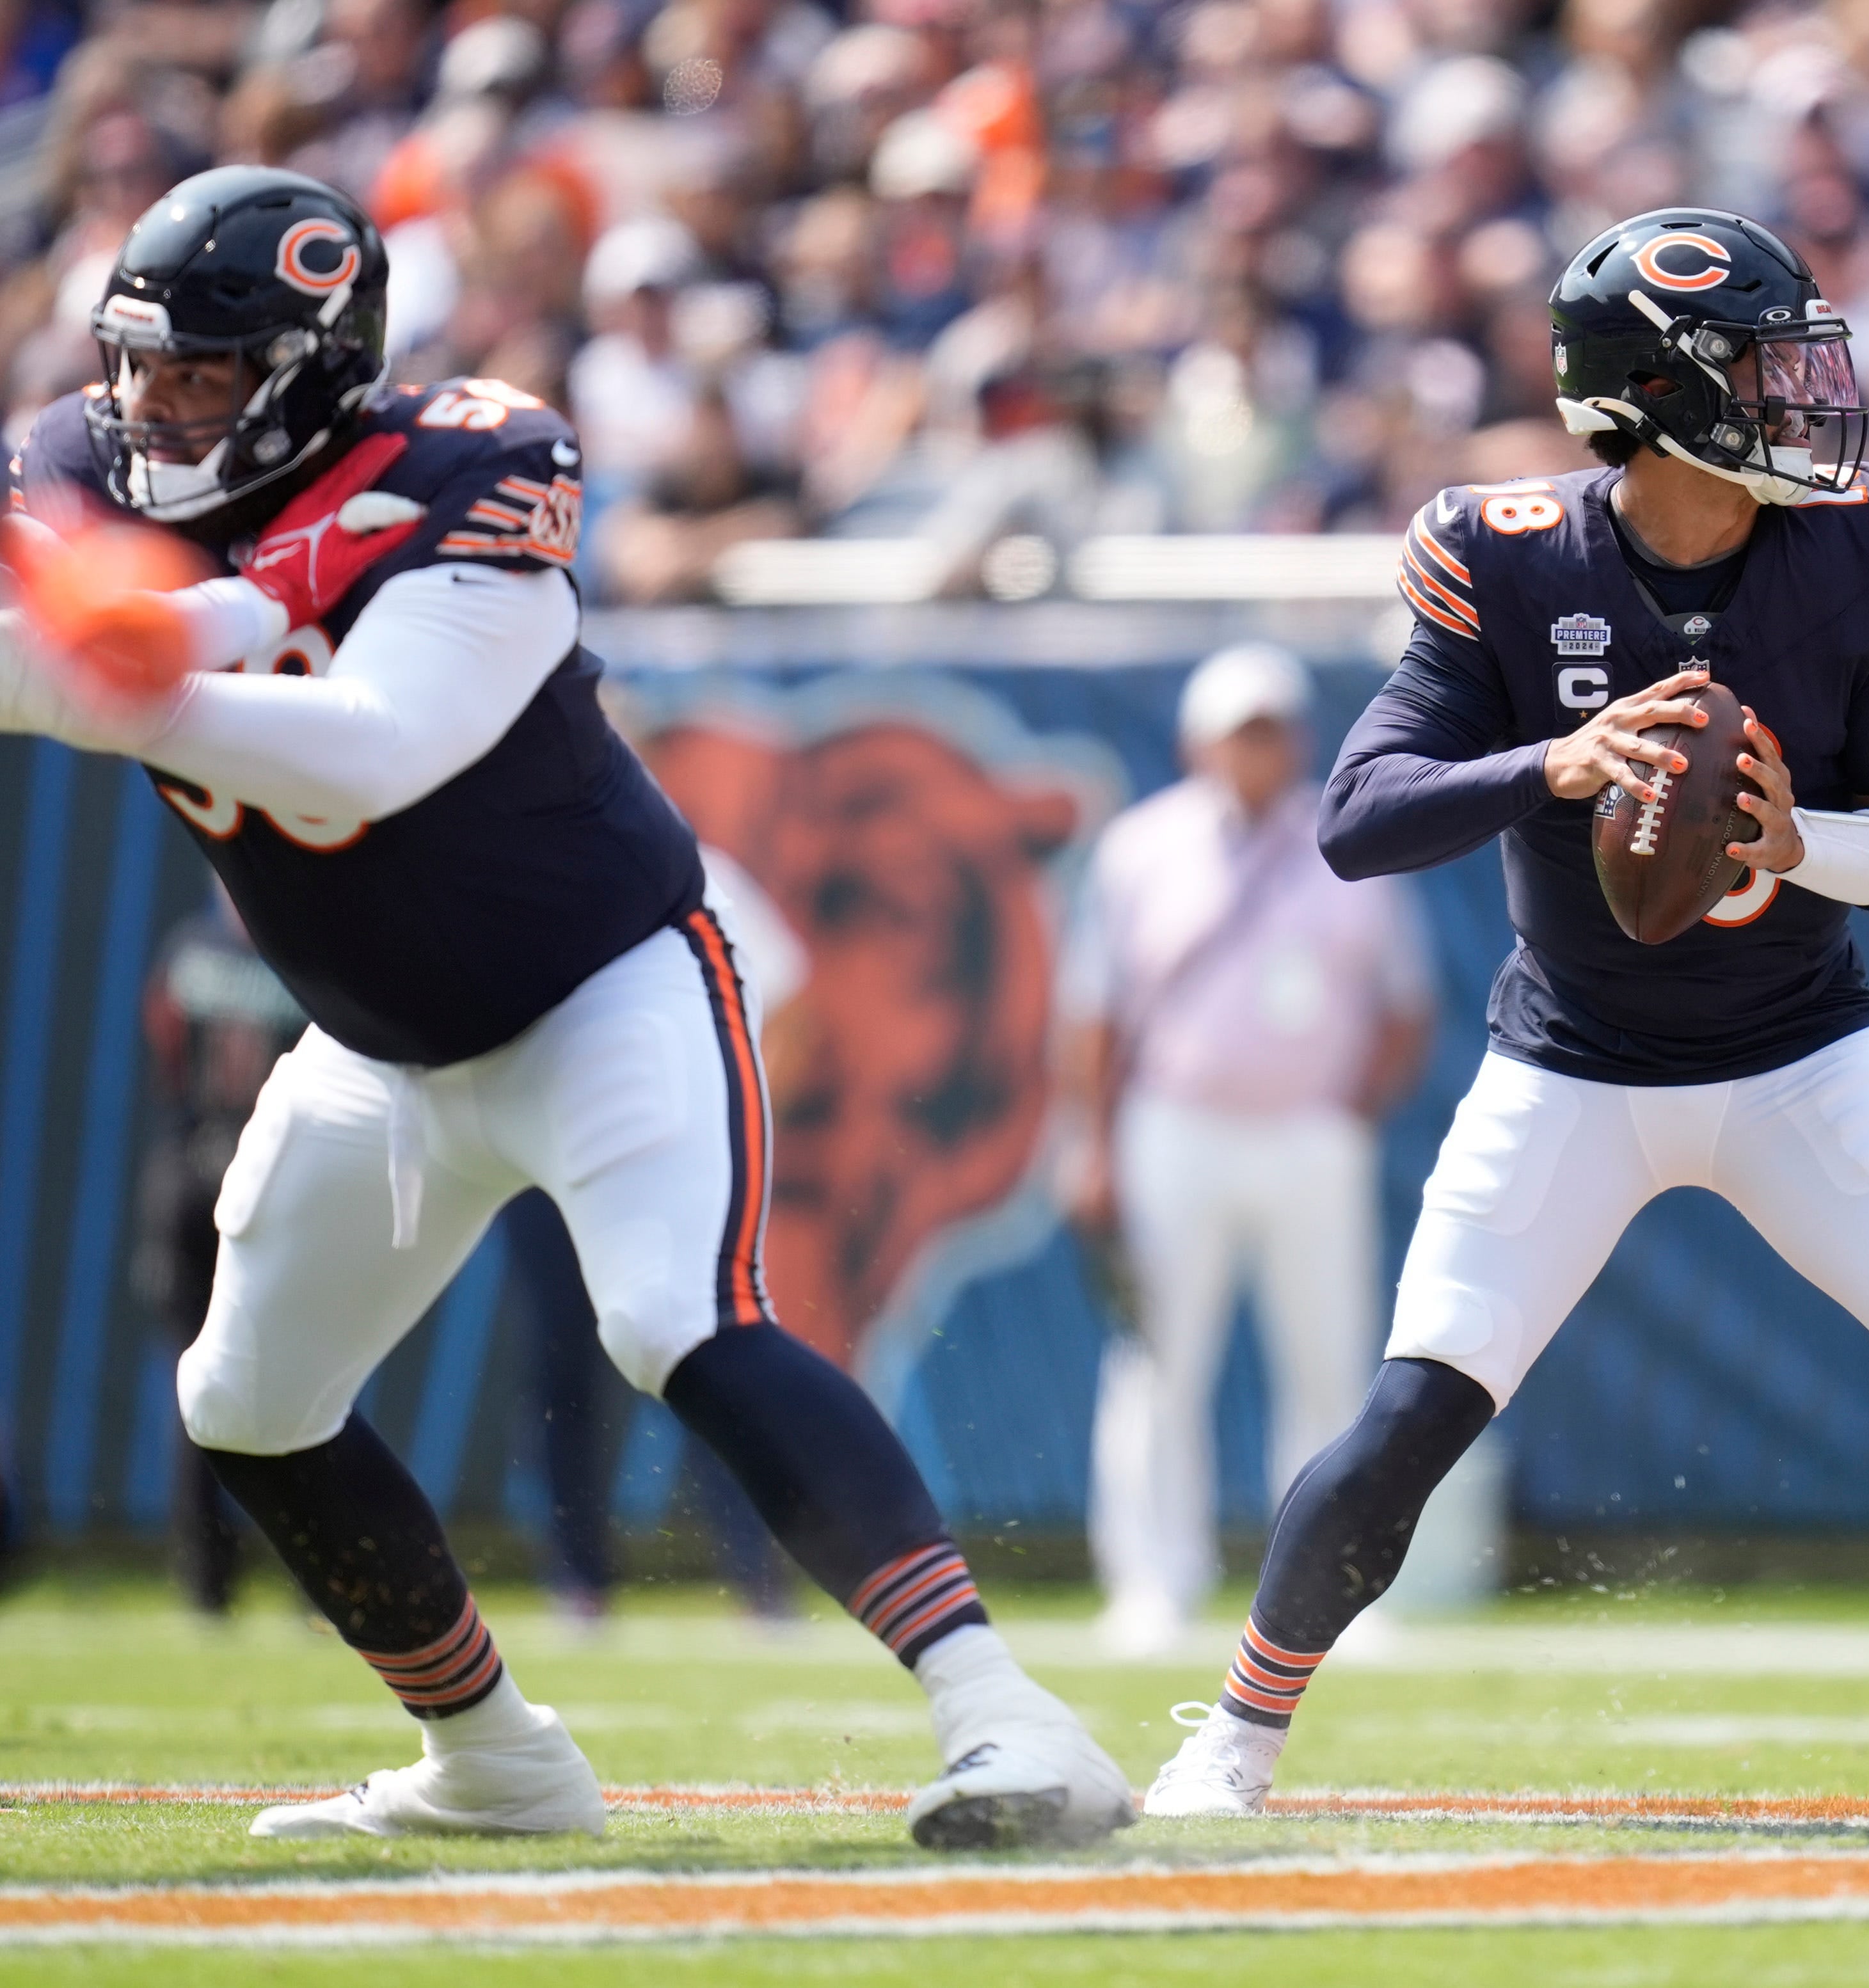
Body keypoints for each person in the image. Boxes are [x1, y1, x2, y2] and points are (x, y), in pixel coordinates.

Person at [0, 166, 1129, 1848]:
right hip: (379, 1043)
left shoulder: (476, 459)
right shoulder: (77, 467)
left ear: (310, 372)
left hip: (603, 981)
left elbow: (383, 743)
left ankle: (1011, 1719)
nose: (153, 408)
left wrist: (150, 667)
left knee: (675, 1315)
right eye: (140, 366)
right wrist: (188, 629)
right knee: (241, 1400)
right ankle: (496, 1758)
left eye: (202, 375)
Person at [1140, 207, 1869, 1818]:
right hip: (1569, 1059)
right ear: (1659, 394)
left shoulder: (1868, 546)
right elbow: (1360, 814)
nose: (1806, 392)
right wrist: (1554, 764)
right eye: (1765, 365)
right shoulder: (1504, 553)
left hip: (1802, 1050)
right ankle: (1235, 1729)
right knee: (1415, 1406)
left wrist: (1790, 840)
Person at [1062, 640, 1435, 1656]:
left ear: (1299, 738)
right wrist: (1092, 1145)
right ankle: (1151, 1579)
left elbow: (1406, 1002)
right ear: (1199, 743)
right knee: (1157, 1361)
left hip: (1311, 1133)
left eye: (1271, 729)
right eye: (1239, 732)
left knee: (1329, 1363)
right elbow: (1093, 1013)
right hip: (1174, 1125)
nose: (1256, 751)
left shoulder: (1345, 839)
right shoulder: (1140, 847)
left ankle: (1330, 1591)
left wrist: (1352, 1105)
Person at [137, 884, 306, 1617]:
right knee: (303, 1383)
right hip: (270, 1178)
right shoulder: (302, 949)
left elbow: (166, 1043)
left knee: (202, 1383)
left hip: (195, 1168)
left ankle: (212, 1582)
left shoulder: (187, 948)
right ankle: (313, 1575)